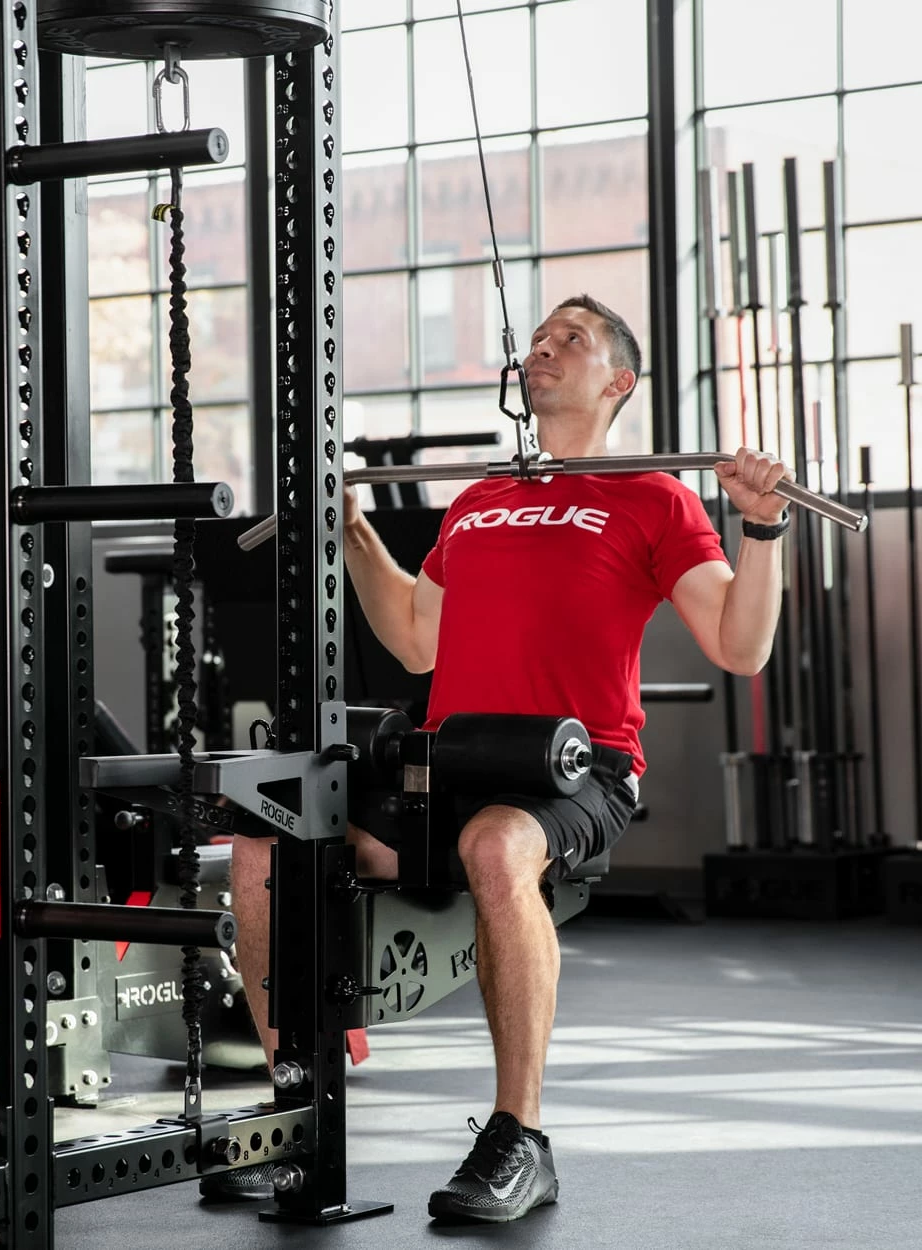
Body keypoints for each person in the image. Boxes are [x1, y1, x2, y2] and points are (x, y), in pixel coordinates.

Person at [225, 293, 794, 1222]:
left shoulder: (656, 496)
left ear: (618, 383)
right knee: (266, 845)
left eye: (573, 339)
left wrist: (761, 528)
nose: (544, 349)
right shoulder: (480, 498)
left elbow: (742, 646)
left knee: (496, 845)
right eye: (537, 339)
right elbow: (416, 640)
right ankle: (298, 1114)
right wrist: (353, 531)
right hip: (450, 760)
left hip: (578, 766)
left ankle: (520, 1138)